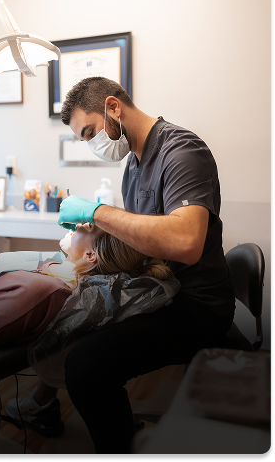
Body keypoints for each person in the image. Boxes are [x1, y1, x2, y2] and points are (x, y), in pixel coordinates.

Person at [53, 76, 236, 454]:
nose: (91, 146)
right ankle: (42, 405)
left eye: (90, 132)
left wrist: (98, 211)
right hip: (160, 290)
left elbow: (185, 243)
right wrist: (95, 235)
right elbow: (142, 240)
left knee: (85, 367)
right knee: (68, 324)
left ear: (113, 108)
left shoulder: (181, 150)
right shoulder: (132, 166)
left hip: (196, 305)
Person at [0, 223, 172, 358]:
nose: (76, 225)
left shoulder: (38, 291)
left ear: (90, 255)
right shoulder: (58, 263)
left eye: (87, 226)